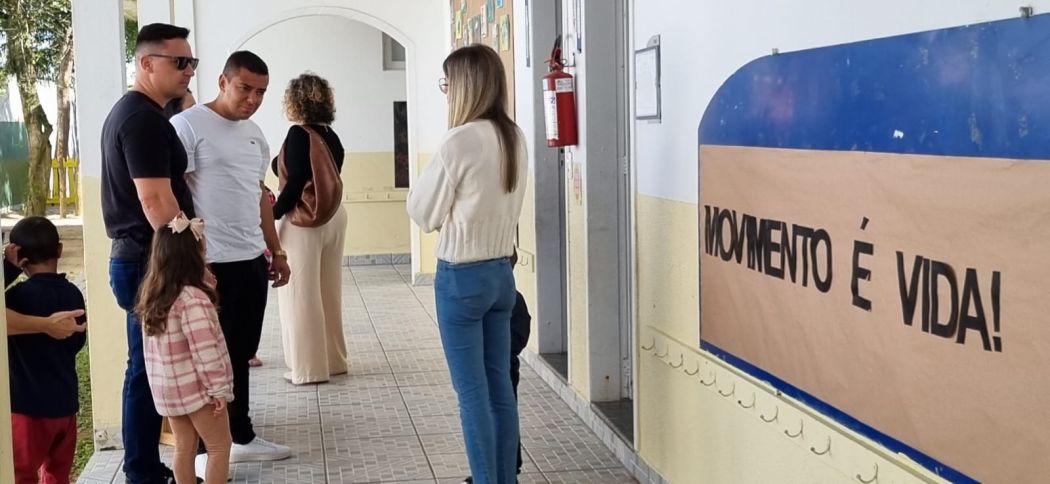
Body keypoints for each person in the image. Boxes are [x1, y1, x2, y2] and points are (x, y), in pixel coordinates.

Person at [407, 44, 528, 484]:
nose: (445, 92)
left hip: (462, 278)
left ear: (463, 86)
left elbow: (423, 213)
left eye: (447, 84)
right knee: (500, 389)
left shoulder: (459, 140)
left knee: (472, 394)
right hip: (501, 276)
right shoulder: (514, 136)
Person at [169, 50, 292, 472]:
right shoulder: (187, 125)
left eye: (261, 92)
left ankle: (241, 435)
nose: (253, 99)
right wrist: (193, 260)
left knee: (240, 354)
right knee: (207, 360)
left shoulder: (255, 134)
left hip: (250, 259)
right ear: (223, 82)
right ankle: (204, 452)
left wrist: (275, 250)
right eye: (245, 88)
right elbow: (174, 195)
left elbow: (260, 196)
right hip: (209, 264)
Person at [100, 22, 199, 484]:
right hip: (149, 260)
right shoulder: (140, 119)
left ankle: (144, 469)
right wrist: (191, 259)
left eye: (192, 62)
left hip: (143, 258)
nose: (189, 71)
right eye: (180, 62)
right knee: (147, 370)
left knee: (147, 368)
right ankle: (141, 473)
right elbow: (156, 201)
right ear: (146, 63)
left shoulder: (142, 113)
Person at [136, 213, 233, 484]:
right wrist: (218, 389)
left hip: (168, 390)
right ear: (194, 257)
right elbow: (205, 351)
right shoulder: (193, 299)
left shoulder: (153, 298)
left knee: (183, 446)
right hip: (198, 391)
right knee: (219, 447)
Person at [272, 73, 348, 385]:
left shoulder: (297, 134)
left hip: (303, 222)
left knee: (300, 294)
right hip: (334, 216)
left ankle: (308, 368)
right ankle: (333, 360)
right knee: (328, 290)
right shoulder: (331, 136)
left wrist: (270, 216)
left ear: (294, 101)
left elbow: (292, 188)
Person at [4, 217, 87, 484]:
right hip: (65, 405)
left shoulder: (15, 298)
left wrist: (7, 269)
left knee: (20, 476)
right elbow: (78, 342)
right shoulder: (74, 295)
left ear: (21, 258)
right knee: (57, 476)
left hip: (26, 409)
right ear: (60, 250)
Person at [462, 248, 532, 484]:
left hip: (505, 371)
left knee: (502, 416)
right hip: (489, 369)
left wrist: (500, 354)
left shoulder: (513, 300)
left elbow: (519, 336)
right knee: (488, 417)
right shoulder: (488, 301)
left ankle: (510, 468)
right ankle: (488, 469)